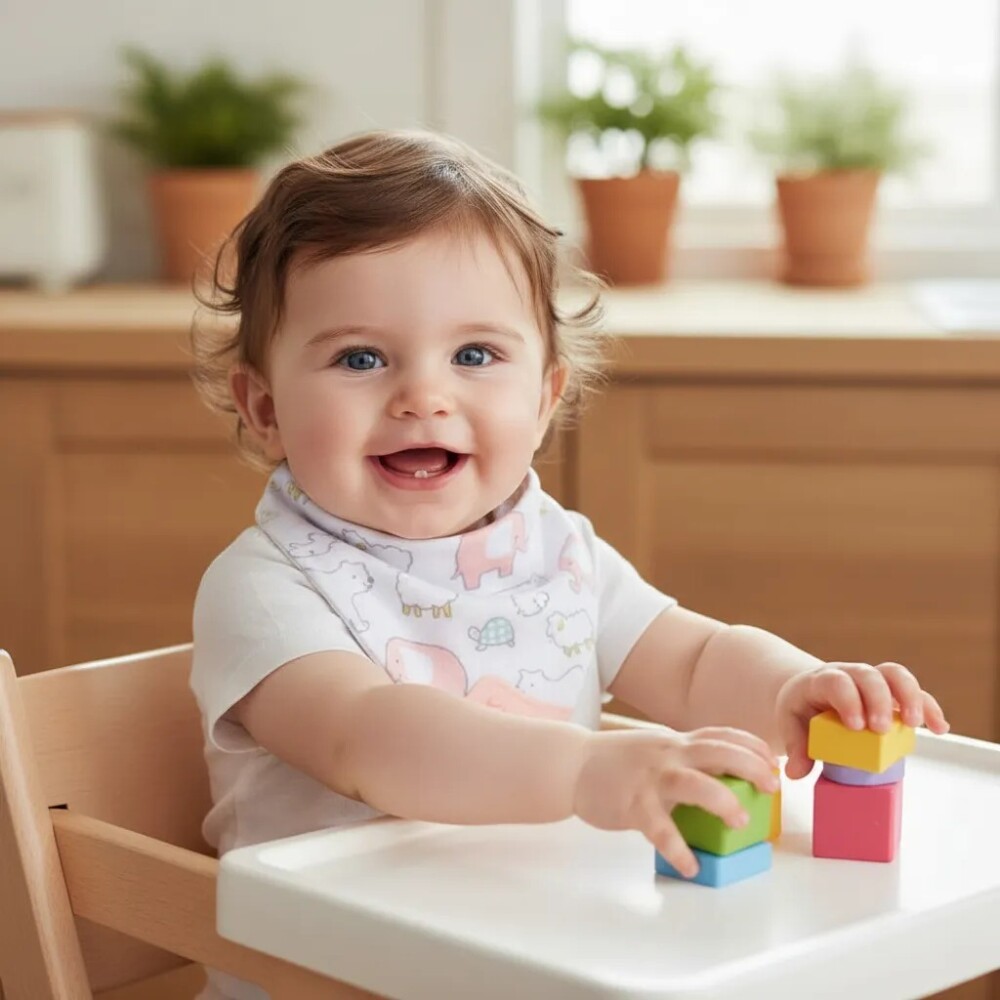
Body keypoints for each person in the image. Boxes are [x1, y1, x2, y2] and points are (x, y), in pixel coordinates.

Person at [189, 129, 949, 1000]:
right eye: (360, 358)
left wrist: (793, 689)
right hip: (333, 974)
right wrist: (587, 772)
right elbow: (368, 738)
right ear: (265, 406)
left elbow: (694, 658)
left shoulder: (553, 550)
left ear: (545, 398)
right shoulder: (264, 586)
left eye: (475, 355)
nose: (423, 394)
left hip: (542, 949)